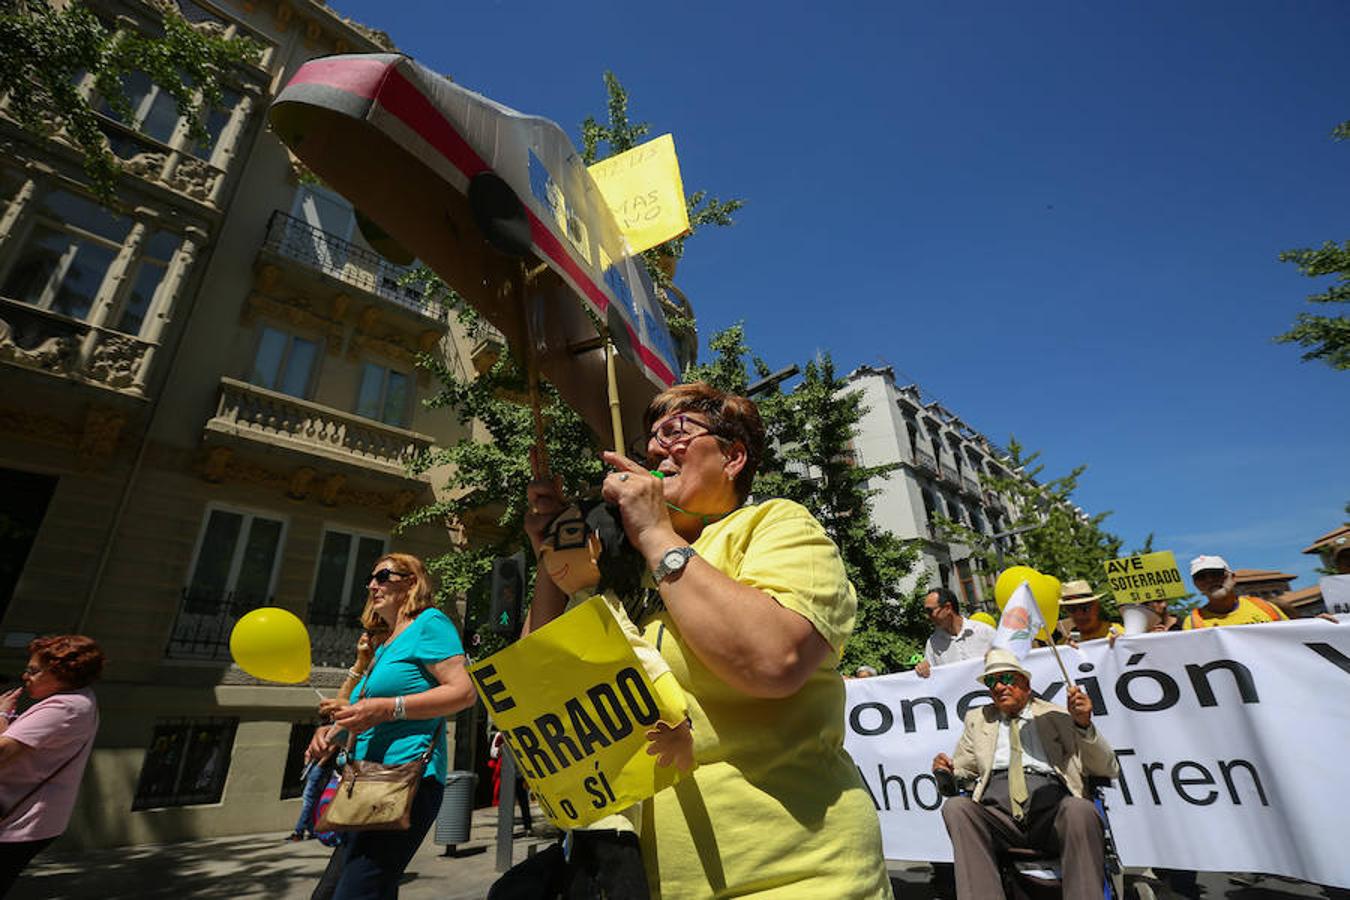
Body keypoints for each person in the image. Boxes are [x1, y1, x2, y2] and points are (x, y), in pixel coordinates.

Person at [523, 381, 890, 898]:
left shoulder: (775, 525)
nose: (654, 449)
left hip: (794, 874)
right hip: (651, 881)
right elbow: (537, 689)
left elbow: (774, 660)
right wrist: (550, 557)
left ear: (733, 457)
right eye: (648, 441)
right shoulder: (627, 571)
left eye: (675, 432)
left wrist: (654, 533)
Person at [306, 553, 476, 900]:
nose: (372, 585)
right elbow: (365, 712)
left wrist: (389, 708)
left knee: (354, 893)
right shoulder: (385, 643)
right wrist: (332, 733)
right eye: (371, 578)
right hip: (364, 782)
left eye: (383, 576)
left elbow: (464, 693)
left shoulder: (430, 623)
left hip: (405, 781)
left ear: (411, 582)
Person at [933, 648, 1119, 900]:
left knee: (1081, 810)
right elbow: (964, 769)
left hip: (1051, 808)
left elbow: (1105, 768)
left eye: (1008, 679)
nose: (999, 686)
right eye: (992, 682)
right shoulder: (978, 718)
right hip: (998, 814)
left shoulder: (1056, 714)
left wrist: (1083, 724)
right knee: (956, 808)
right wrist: (948, 769)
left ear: (1026, 685)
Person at [0, 635, 105, 895]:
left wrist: (2, 714)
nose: (26, 676)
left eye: (34, 671)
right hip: (28, 820)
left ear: (63, 673)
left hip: (17, 822)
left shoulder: (64, 708)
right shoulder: (80, 700)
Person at [1184, 555, 1290, 629]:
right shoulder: (1193, 623)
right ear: (1195, 584)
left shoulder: (1265, 607)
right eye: (1201, 577)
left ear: (1233, 578)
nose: (1209, 580)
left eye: (1216, 574)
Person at [916, 587, 995, 677]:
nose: (928, 617)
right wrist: (924, 669)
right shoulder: (933, 643)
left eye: (930, 611)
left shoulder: (985, 632)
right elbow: (932, 677)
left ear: (948, 608)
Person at [1058, 580, 1123, 642]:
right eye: (1072, 609)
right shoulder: (1064, 645)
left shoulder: (1119, 633)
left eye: (1085, 608)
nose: (1079, 615)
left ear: (1096, 606)